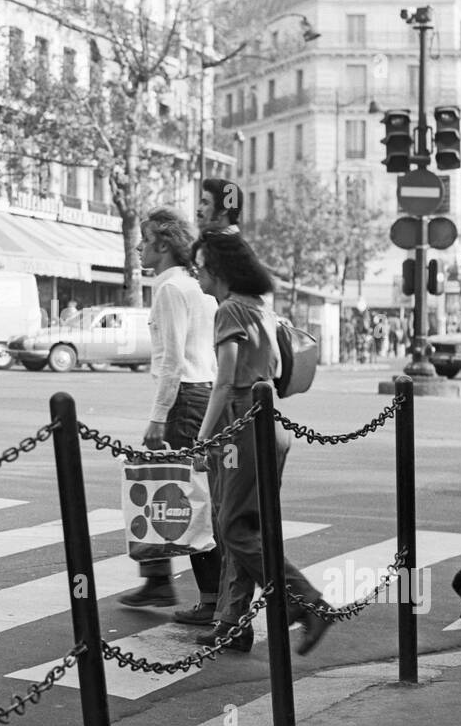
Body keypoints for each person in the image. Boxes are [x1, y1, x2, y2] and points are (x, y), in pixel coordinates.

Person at [189, 229, 330, 654]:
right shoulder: (258, 307)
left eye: (200, 268)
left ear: (218, 271)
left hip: (241, 421)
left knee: (233, 528)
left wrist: (202, 437)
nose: (196, 276)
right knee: (243, 526)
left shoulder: (229, 310)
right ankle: (234, 622)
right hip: (269, 423)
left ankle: (308, 602)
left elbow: (226, 379)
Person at [118, 209, 222, 619]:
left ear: (163, 245)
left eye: (145, 240)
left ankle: (207, 599)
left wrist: (158, 415)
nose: (139, 247)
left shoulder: (170, 290)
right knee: (176, 488)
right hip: (201, 393)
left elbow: (171, 361)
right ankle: (159, 579)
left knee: (189, 496)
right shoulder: (194, 287)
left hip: (185, 398)